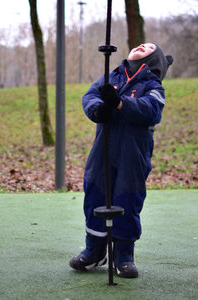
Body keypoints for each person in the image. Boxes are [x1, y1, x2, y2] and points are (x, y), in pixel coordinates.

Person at [69, 43, 173, 278]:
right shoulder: (111, 76)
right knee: (95, 192)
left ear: (154, 60)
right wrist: (98, 110)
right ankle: (94, 250)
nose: (141, 45)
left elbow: (151, 110)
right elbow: (90, 96)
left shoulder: (153, 85)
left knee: (128, 197)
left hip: (132, 152)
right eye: (140, 44)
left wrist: (120, 103)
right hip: (103, 149)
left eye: (148, 47)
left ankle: (123, 254)